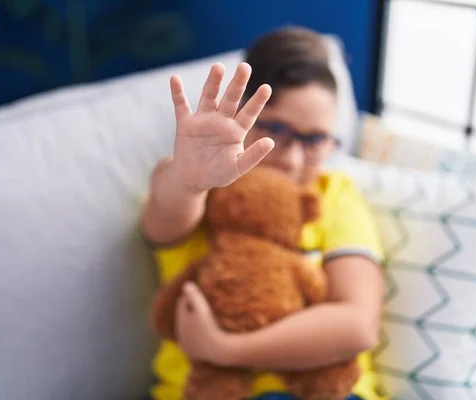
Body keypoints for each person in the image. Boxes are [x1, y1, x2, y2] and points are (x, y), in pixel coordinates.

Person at [141, 26, 386, 400]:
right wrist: (189, 180)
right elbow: (163, 219)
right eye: (273, 128)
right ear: (241, 114)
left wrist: (223, 349)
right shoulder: (196, 182)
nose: (290, 158)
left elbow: (357, 326)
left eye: (315, 139)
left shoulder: (333, 194)